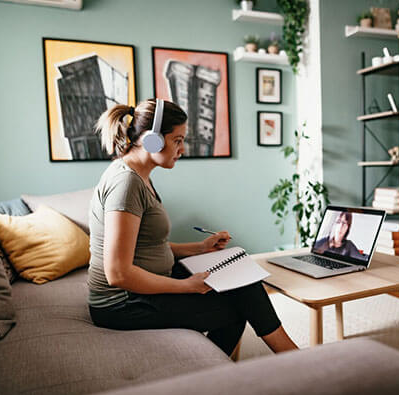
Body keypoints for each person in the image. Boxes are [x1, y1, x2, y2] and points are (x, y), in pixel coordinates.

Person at [87, 99, 298, 356]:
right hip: (122, 304)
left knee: (244, 282)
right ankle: (296, 361)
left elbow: (147, 246)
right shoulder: (126, 183)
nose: (182, 149)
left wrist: (200, 248)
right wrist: (187, 286)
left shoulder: (139, 175)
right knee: (236, 309)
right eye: (177, 140)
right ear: (152, 140)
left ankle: (291, 358)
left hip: (143, 287)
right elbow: (118, 274)